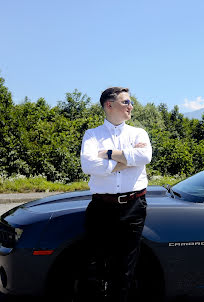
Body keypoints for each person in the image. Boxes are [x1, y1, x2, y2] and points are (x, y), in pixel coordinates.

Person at [80, 87, 152, 301]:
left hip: (134, 206)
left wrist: (108, 155)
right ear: (109, 105)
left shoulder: (138, 133)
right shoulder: (92, 134)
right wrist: (127, 161)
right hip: (101, 207)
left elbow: (145, 156)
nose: (131, 106)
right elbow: (88, 164)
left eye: (130, 103)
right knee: (95, 265)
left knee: (126, 267)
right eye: (126, 102)